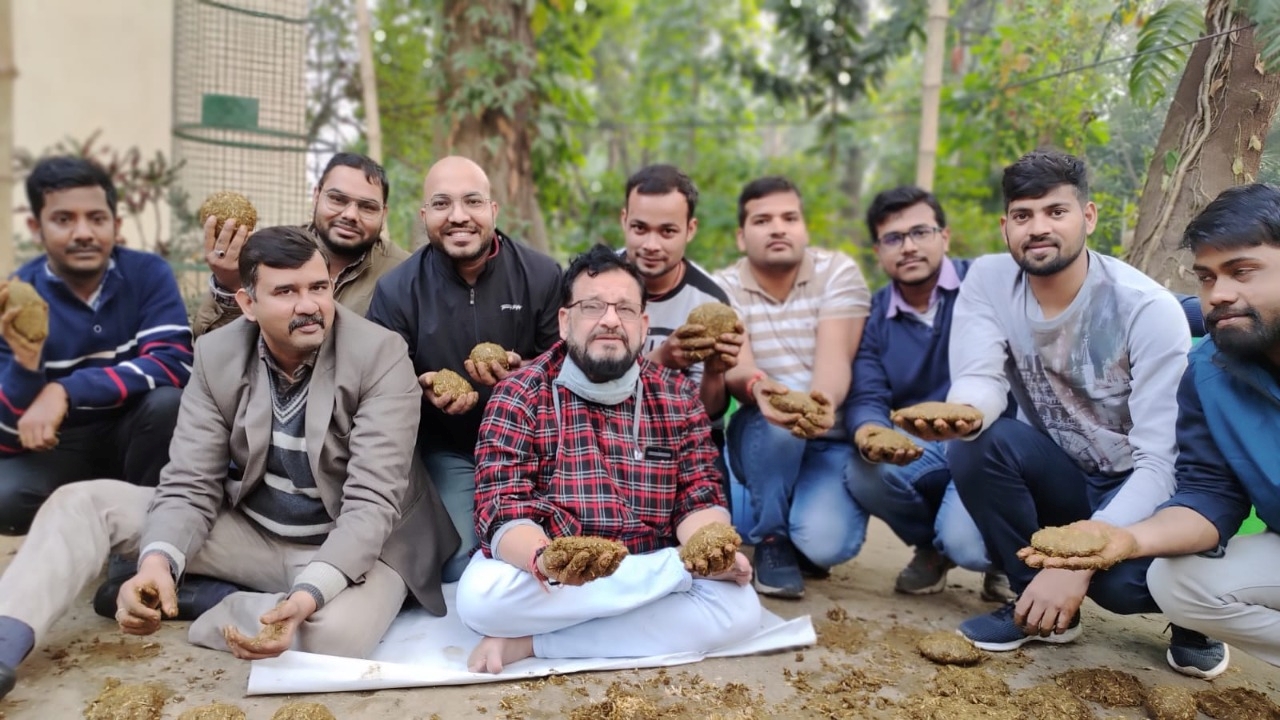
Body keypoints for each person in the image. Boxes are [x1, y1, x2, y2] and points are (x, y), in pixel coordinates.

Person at [0, 226, 458, 701]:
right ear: (247, 304)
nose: (309, 305)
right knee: (83, 503)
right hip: (253, 532)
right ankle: (6, 641)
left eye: (318, 287)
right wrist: (157, 563)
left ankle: (213, 601)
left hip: (360, 547)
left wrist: (304, 599)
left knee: (333, 639)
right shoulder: (217, 355)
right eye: (286, 291)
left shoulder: (380, 355)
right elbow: (189, 484)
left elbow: (371, 504)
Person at [895, 149, 1225, 677]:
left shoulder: (1144, 309)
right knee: (977, 444)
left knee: (1116, 587)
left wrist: (1077, 559)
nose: (1038, 228)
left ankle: (1194, 612)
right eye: (1023, 216)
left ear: (1088, 217)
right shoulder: (987, 280)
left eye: (1056, 211)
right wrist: (964, 413)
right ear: (1006, 226)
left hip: (1146, 483)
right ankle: (1037, 609)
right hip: (1071, 471)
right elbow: (981, 379)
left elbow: (1162, 465)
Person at [457, 245, 760, 674]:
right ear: (564, 321)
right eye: (592, 306)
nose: (610, 320)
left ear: (644, 326)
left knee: (739, 608)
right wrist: (548, 560)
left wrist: (709, 549)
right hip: (557, 571)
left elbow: (700, 493)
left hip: (648, 555)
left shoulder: (677, 394)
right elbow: (501, 505)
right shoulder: (520, 392)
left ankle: (534, 643)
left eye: (625, 309)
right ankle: (662, 585)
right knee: (481, 598)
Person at [1020, 183, 1280, 672]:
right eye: (1206, 277)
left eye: (1243, 271)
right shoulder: (1209, 371)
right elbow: (1210, 496)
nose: (1220, 294)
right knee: (1177, 584)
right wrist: (1122, 539)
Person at [367, 156, 562, 582]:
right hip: (450, 449)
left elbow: (564, 372)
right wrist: (419, 390)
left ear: (493, 210)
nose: (458, 217)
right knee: (460, 562)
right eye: (441, 204)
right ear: (424, 216)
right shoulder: (398, 290)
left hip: (530, 453)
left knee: (563, 544)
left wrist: (526, 376)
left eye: (472, 201)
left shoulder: (542, 276)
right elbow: (376, 386)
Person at [0, 156, 191, 536]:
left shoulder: (147, 274)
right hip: (61, 447)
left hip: (137, 437)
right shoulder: (17, 297)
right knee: (5, 496)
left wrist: (64, 389)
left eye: (97, 218)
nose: (83, 232)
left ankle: (140, 544)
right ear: (36, 227)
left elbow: (174, 363)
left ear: (116, 225)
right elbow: (6, 439)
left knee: (168, 403)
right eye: (64, 219)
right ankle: (86, 533)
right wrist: (25, 365)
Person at [844, 185, 1011, 602]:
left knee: (969, 547)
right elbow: (867, 392)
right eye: (893, 238)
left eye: (921, 232)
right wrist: (868, 431)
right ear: (878, 251)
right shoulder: (876, 317)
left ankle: (1007, 556)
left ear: (945, 236)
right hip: (924, 443)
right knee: (862, 472)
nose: (909, 247)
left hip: (990, 439)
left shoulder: (986, 281)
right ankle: (933, 551)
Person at [716, 176, 871, 599]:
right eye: (762, 220)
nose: (778, 228)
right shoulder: (724, 286)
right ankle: (771, 539)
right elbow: (737, 366)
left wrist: (820, 403)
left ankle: (787, 523)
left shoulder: (837, 271)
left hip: (827, 439)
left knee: (826, 544)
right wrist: (759, 388)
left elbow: (835, 359)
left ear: (803, 227)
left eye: (789, 217)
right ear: (741, 235)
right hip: (763, 431)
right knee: (778, 430)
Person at [193, 152, 408, 335]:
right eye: (337, 199)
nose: (351, 214)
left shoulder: (405, 274)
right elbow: (209, 347)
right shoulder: (266, 254)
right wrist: (231, 285)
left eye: (367, 207)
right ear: (316, 196)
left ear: (384, 213)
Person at [620, 164, 744, 418]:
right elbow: (577, 381)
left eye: (667, 231)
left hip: (677, 438)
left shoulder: (710, 300)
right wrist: (661, 359)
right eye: (640, 228)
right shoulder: (592, 282)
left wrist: (714, 370)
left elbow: (707, 416)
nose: (651, 245)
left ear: (690, 230)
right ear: (624, 221)